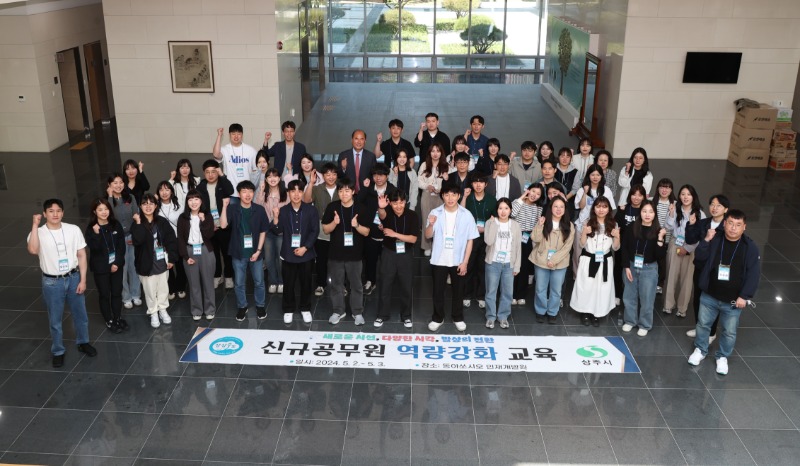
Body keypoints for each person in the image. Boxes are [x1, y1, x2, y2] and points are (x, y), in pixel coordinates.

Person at [688, 210, 760, 375]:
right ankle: (700, 350)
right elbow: (699, 259)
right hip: (710, 294)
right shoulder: (715, 239)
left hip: (733, 300)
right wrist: (706, 240)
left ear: (744, 227)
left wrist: (744, 296)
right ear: (725, 224)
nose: (733, 228)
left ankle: (722, 356)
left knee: (729, 332)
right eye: (731, 223)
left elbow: (753, 274)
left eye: (738, 225)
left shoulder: (750, 247)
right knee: (703, 325)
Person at [27, 199, 97, 368]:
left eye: (58, 210)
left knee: (80, 314)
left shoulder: (73, 229)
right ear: (44, 214)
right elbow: (33, 250)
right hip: (52, 281)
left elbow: (81, 255)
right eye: (51, 211)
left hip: (73, 278)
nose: (55, 214)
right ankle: (58, 350)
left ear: (63, 213)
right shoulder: (38, 232)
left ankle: (83, 342)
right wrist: (35, 225)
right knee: (55, 319)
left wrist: (83, 280)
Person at [426, 184, 479, 332]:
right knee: (438, 291)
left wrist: (465, 262)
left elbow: (470, 240)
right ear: (442, 196)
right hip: (439, 259)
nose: (450, 198)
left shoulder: (466, 214)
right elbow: (428, 235)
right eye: (447, 195)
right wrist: (431, 225)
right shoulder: (435, 212)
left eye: (453, 195)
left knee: (459, 290)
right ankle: (437, 317)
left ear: (459, 196)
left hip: (458, 260)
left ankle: (458, 317)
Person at [322, 178, 371, 325]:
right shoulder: (332, 207)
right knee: (336, 285)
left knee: (356, 285)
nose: (344, 194)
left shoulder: (361, 208)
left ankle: (357, 312)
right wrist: (334, 222)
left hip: (355, 255)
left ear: (353, 192)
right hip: (335, 254)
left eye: (347, 190)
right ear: (338, 192)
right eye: (341, 191)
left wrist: (356, 226)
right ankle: (338, 311)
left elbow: (366, 232)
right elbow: (325, 230)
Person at [271, 179, 320, 324]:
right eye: (293, 191)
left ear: (303, 192)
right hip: (288, 254)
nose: (296, 194)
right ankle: (288, 309)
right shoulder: (283, 210)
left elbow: (315, 231)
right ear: (288, 193)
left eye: (299, 191)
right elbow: (277, 231)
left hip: (306, 253)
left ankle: (305, 308)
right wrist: (275, 218)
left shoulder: (311, 210)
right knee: (289, 283)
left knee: (306, 283)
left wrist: (305, 247)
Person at [220, 181, 270, 321]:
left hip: (255, 252)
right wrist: (224, 206)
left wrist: (258, 250)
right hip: (238, 252)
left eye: (250, 191)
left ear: (253, 193)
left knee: (259, 282)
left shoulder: (259, 209)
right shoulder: (233, 208)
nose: (247, 194)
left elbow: (263, 231)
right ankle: (242, 306)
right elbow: (223, 225)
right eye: (244, 191)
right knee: (239, 283)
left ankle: (260, 305)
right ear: (239, 194)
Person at [570, 196, 621, 326]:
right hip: (588, 259)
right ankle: (585, 312)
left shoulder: (613, 224)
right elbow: (581, 244)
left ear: (608, 209)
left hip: (605, 261)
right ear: (594, 208)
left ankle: (597, 313)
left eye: (604, 207)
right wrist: (584, 233)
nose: (601, 210)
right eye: (598, 206)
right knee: (587, 287)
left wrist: (617, 237)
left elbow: (616, 247)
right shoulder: (587, 222)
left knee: (601, 288)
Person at [685, 194, 729, 340]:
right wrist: (691, 225)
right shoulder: (703, 223)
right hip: (701, 267)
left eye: (719, 205)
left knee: (714, 301)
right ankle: (699, 327)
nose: (714, 208)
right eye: (712, 204)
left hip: (716, 270)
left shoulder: (728, 226)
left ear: (726, 209)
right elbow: (690, 240)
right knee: (698, 298)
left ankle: (711, 332)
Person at [131, 193, 178, 329]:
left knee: (163, 288)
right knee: (150, 290)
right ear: (140, 206)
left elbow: (171, 240)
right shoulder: (137, 224)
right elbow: (138, 240)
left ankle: (163, 309)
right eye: (145, 204)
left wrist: (172, 258)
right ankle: (153, 312)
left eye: (151, 203)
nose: (148, 206)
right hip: (145, 262)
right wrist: (138, 222)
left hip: (161, 260)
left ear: (156, 206)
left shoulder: (161, 221)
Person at [621, 200, 667, 336]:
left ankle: (645, 324)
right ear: (640, 212)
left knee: (647, 298)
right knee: (629, 296)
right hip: (631, 266)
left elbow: (660, 256)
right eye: (644, 211)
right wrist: (626, 266)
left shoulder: (658, 231)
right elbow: (624, 248)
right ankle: (630, 321)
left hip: (649, 269)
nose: (647, 214)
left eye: (651, 212)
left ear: (655, 214)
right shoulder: (632, 227)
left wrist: (660, 238)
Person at [374, 190, 419, 328]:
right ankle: (382, 315)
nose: (398, 206)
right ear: (390, 203)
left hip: (406, 254)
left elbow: (413, 239)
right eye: (395, 203)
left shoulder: (412, 215)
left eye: (401, 202)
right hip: (389, 253)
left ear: (405, 202)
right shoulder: (387, 212)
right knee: (385, 284)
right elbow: (382, 215)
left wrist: (395, 234)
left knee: (406, 285)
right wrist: (381, 207)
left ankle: (406, 316)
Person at [85, 198, 127, 333]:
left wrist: (116, 263)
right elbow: (94, 249)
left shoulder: (116, 224)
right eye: (100, 210)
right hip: (101, 268)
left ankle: (117, 317)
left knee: (116, 292)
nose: (104, 212)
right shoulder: (91, 229)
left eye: (106, 209)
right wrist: (97, 234)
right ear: (95, 212)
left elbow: (121, 246)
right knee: (104, 294)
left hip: (116, 265)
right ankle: (109, 320)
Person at [530, 195, 574, 323]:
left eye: (561, 207)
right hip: (541, 260)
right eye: (556, 206)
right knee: (540, 288)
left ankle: (552, 312)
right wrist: (539, 225)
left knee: (556, 290)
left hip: (560, 263)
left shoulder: (569, 225)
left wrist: (554, 260)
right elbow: (535, 239)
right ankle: (540, 310)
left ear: (565, 209)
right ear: (551, 208)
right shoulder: (544, 221)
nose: (558, 209)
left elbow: (567, 247)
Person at [664, 184, 705, 317]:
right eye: (683, 194)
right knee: (671, 274)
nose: (685, 197)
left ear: (693, 197)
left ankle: (682, 308)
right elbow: (668, 227)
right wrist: (671, 213)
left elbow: (701, 236)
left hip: (691, 246)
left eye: (688, 194)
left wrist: (687, 249)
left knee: (687, 278)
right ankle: (668, 305)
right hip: (675, 242)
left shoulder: (700, 213)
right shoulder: (675, 208)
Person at [177, 190, 217, 320]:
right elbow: (180, 239)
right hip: (189, 251)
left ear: (201, 201)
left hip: (205, 250)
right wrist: (185, 256)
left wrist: (203, 220)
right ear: (187, 202)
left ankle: (210, 309)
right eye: (190, 199)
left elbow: (209, 235)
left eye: (196, 199)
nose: (193, 202)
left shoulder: (207, 216)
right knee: (193, 283)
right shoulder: (182, 218)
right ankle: (196, 310)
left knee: (208, 282)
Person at [358, 163, 397, 294]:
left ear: (387, 176)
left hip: (388, 231)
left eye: (381, 175)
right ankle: (370, 281)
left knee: (388, 260)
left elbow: (397, 211)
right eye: (375, 175)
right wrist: (364, 188)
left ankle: (388, 283)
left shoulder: (393, 191)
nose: (378, 178)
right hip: (370, 230)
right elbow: (359, 203)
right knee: (370, 258)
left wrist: (387, 224)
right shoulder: (369, 189)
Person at [483, 198, 521, 329]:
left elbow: (518, 247)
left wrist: (517, 266)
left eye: (506, 208)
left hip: (509, 264)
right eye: (500, 208)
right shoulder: (490, 222)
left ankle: (503, 316)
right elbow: (488, 241)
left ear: (510, 210)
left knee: (507, 293)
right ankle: (490, 317)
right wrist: (493, 224)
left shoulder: (515, 225)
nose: (503, 211)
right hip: (493, 262)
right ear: (497, 210)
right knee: (491, 292)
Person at [572, 164, 616, 276]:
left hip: (601, 226)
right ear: (588, 176)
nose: (595, 177)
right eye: (592, 175)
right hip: (583, 225)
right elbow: (580, 206)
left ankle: (595, 278)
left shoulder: (606, 190)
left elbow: (610, 209)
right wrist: (585, 192)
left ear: (601, 176)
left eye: (598, 175)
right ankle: (577, 276)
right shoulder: (582, 189)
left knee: (596, 251)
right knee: (578, 252)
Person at [106, 173, 142, 309]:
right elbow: (108, 216)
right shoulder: (107, 201)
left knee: (134, 266)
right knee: (122, 268)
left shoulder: (130, 197)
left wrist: (135, 235)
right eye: (115, 183)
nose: (118, 185)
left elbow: (136, 216)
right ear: (109, 185)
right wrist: (110, 196)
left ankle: (136, 294)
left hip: (130, 237)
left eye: (121, 182)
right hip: (117, 239)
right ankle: (126, 297)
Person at [197, 159, 235, 289]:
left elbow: (231, 190)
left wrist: (222, 175)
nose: (210, 175)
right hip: (210, 226)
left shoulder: (223, 183)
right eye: (207, 172)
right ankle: (217, 276)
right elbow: (200, 207)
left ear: (217, 171)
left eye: (213, 171)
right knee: (214, 254)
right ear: (204, 173)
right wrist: (208, 224)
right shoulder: (201, 187)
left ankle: (229, 276)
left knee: (227, 253)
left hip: (224, 225)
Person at [461, 172, 496, 309]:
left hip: (486, 239)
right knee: (468, 266)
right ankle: (466, 294)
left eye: (481, 182)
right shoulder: (468, 198)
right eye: (475, 182)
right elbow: (461, 213)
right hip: (469, 238)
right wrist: (464, 196)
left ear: (486, 184)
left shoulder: (492, 199)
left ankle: (481, 296)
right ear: (471, 184)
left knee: (483, 268)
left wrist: (485, 228)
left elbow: (495, 220)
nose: (478, 185)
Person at [304, 162, 339, 296]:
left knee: (339, 260)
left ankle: (340, 285)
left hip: (339, 228)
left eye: (334, 174)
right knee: (321, 259)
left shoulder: (342, 188)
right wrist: (311, 183)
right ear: (323, 176)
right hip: (321, 229)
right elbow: (306, 200)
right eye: (328, 174)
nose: (331, 177)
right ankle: (320, 284)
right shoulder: (317, 188)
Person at [510, 183, 545, 305]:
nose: (534, 195)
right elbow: (512, 214)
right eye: (533, 191)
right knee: (513, 265)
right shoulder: (517, 202)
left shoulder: (538, 208)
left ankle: (521, 294)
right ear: (528, 190)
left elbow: (537, 225)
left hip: (527, 238)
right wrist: (522, 197)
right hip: (515, 236)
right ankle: (511, 294)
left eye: (538, 194)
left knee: (524, 266)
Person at [257, 168, 289, 294]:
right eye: (269, 176)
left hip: (281, 230)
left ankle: (281, 281)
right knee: (269, 258)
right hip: (267, 230)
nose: (272, 179)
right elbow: (258, 207)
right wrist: (261, 190)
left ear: (279, 178)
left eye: (275, 176)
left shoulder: (285, 194)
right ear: (266, 179)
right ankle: (273, 281)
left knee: (281, 258)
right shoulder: (263, 193)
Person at [213, 123, 258, 202]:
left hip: (246, 192)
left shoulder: (251, 150)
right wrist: (219, 135)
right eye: (233, 134)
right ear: (229, 135)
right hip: (231, 191)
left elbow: (256, 171)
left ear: (242, 135)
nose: (236, 136)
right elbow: (216, 154)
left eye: (239, 134)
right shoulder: (225, 149)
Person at [156, 181, 186, 300]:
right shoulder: (155, 207)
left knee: (180, 264)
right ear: (158, 192)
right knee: (167, 265)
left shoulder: (179, 206)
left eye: (167, 189)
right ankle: (171, 288)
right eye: (161, 190)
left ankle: (181, 286)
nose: (164, 192)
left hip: (177, 239)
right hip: (162, 241)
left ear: (172, 192)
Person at [418, 143, 448, 256]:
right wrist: (427, 186)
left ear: (441, 153)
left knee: (440, 221)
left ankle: (438, 245)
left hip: (441, 196)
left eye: (438, 151)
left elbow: (449, 182)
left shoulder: (446, 166)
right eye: (433, 151)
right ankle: (427, 246)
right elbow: (419, 181)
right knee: (426, 220)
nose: (435, 153)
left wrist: (442, 187)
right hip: (427, 195)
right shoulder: (424, 165)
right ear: (429, 153)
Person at [654, 178, 676, 294]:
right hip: (653, 237)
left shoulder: (675, 204)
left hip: (667, 237)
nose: (664, 190)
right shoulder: (652, 201)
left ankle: (660, 284)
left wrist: (672, 212)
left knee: (663, 262)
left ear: (671, 190)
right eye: (662, 187)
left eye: (667, 187)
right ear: (658, 188)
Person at [338, 129, 377, 194]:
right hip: (348, 193)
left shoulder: (371, 156)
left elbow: (375, 175)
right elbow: (339, 176)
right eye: (356, 139)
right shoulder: (343, 155)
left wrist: (370, 180)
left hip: (366, 192)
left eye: (362, 139)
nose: (359, 142)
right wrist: (343, 168)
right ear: (351, 140)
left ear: (365, 141)